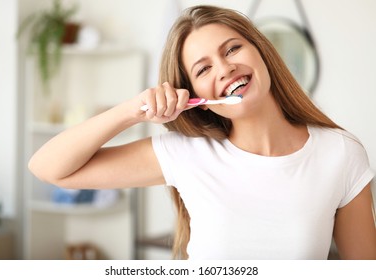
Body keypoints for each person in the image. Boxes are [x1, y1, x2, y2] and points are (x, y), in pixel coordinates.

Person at [28, 5, 376, 260]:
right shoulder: (186, 153)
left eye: (233, 49)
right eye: (204, 68)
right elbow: (47, 168)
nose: (226, 68)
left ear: (262, 53)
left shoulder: (340, 154)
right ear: (200, 99)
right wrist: (133, 110)